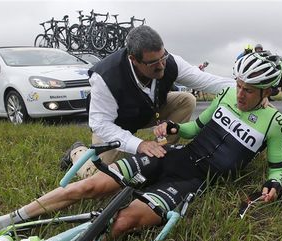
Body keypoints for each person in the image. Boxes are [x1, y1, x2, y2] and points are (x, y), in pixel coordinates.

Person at [0, 53, 282, 241]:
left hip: (192, 184)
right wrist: (174, 128)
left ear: (267, 92)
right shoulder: (227, 96)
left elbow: (277, 169)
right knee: (90, 185)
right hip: (173, 157)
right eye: (239, 85)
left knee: (123, 222)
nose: (240, 93)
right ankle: (3, 220)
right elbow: (195, 128)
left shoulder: (275, 124)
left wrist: (273, 185)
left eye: (249, 90)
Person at [60, 25, 235, 178]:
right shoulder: (105, 77)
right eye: (153, 63)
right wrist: (140, 145)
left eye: (163, 58)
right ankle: (77, 151)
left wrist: (250, 87)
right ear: (133, 59)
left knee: (186, 99)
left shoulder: (169, 62)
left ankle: (162, 151)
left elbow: (210, 82)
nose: (161, 66)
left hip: (148, 112)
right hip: (116, 123)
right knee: (98, 175)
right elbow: (100, 124)